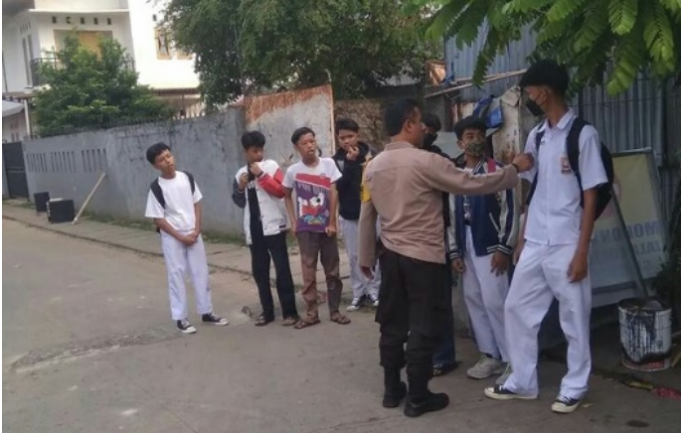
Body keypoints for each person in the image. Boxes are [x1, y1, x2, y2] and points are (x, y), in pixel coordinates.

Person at [358, 99, 533, 417]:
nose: (424, 129)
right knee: (423, 325)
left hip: (390, 256)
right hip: (423, 257)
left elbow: (367, 214)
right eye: (419, 123)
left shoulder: (373, 166)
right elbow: (471, 183)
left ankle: (392, 389)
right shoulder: (426, 162)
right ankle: (418, 396)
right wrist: (514, 170)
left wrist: (366, 256)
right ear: (408, 125)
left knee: (392, 325)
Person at [483, 59, 607, 414]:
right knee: (516, 306)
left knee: (574, 317)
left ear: (545, 91)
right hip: (536, 240)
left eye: (530, 91)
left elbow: (591, 195)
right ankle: (522, 380)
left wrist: (581, 251)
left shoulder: (582, 135)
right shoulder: (538, 135)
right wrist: (523, 237)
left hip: (568, 242)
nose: (529, 97)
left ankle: (575, 386)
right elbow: (533, 188)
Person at [447, 116, 519, 384]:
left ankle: (513, 360)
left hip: (490, 244)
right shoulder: (454, 174)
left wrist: (504, 247)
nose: (475, 140)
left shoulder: (497, 170)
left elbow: (510, 211)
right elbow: (450, 215)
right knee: (474, 299)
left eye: (479, 135)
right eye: (469, 136)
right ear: (460, 143)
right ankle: (490, 355)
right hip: (466, 243)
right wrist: (454, 251)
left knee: (496, 301)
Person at [144, 142, 229, 334]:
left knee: (201, 273)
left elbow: (196, 203)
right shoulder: (156, 188)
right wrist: (180, 237)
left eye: (168, 156)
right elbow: (158, 219)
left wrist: (197, 229)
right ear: (155, 166)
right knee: (176, 276)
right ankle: (180, 317)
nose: (167, 161)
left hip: (193, 233)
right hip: (173, 238)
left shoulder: (187, 178)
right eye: (161, 160)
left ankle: (207, 311)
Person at [283, 127, 351, 329]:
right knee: (308, 272)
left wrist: (332, 222)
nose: (310, 146)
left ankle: (335, 311)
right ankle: (311, 313)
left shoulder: (328, 164)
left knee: (333, 270)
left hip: (326, 228)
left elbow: (334, 193)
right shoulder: (293, 171)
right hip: (305, 229)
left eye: (312, 141)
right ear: (297, 147)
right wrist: (293, 221)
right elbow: (286, 195)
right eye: (304, 143)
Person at [232, 131, 299, 327]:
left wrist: (261, 175)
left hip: (274, 227)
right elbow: (238, 201)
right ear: (246, 152)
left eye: (261, 150)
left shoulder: (271, 167)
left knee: (282, 270)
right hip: (254, 229)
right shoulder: (240, 174)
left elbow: (280, 191)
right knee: (260, 273)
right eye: (254, 151)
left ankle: (290, 312)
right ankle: (267, 312)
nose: (259, 154)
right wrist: (241, 187)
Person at [421, 112, 459, 378]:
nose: (425, 133)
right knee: (419, 301)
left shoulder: (440, 160)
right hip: (412, 238)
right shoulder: (402, 158)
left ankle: (444, 356)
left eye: (429, 130)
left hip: (437, 235)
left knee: (439, 299)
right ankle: (424, 352)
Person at [332, 118, 380, 311]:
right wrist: (350, 164)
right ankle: (358, 292)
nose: (347, 141)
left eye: (350, 136)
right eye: (342, 138)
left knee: (373, 253)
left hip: (372, 212)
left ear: (357, 135)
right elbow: (338, 187)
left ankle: (375, 290)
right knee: (353, 256)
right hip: (349, 213)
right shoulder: (336, 161)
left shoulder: (371, 155)